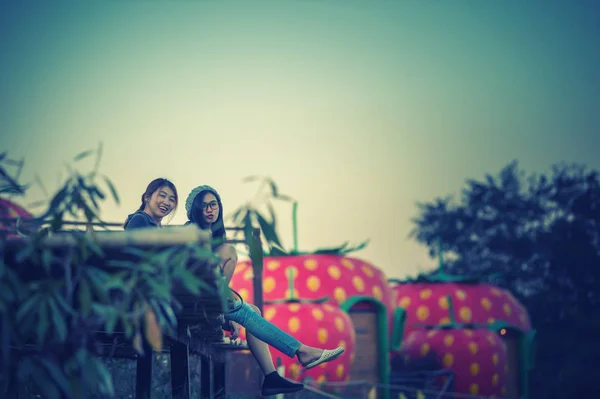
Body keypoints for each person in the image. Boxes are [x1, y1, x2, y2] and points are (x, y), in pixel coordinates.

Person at [185, 185, 345, 397]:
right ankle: (301, 352)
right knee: (242, 299)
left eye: (213, 204)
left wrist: (224, 306)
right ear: (194, 210)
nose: (209, 209)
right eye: (203, 205)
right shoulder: (191, 234)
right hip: (192, 303)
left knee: (252, 311)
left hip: (207, 302)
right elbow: (203, 280)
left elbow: (216, 284)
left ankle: (272, 377)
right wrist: (224, 308)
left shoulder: (212, 237)